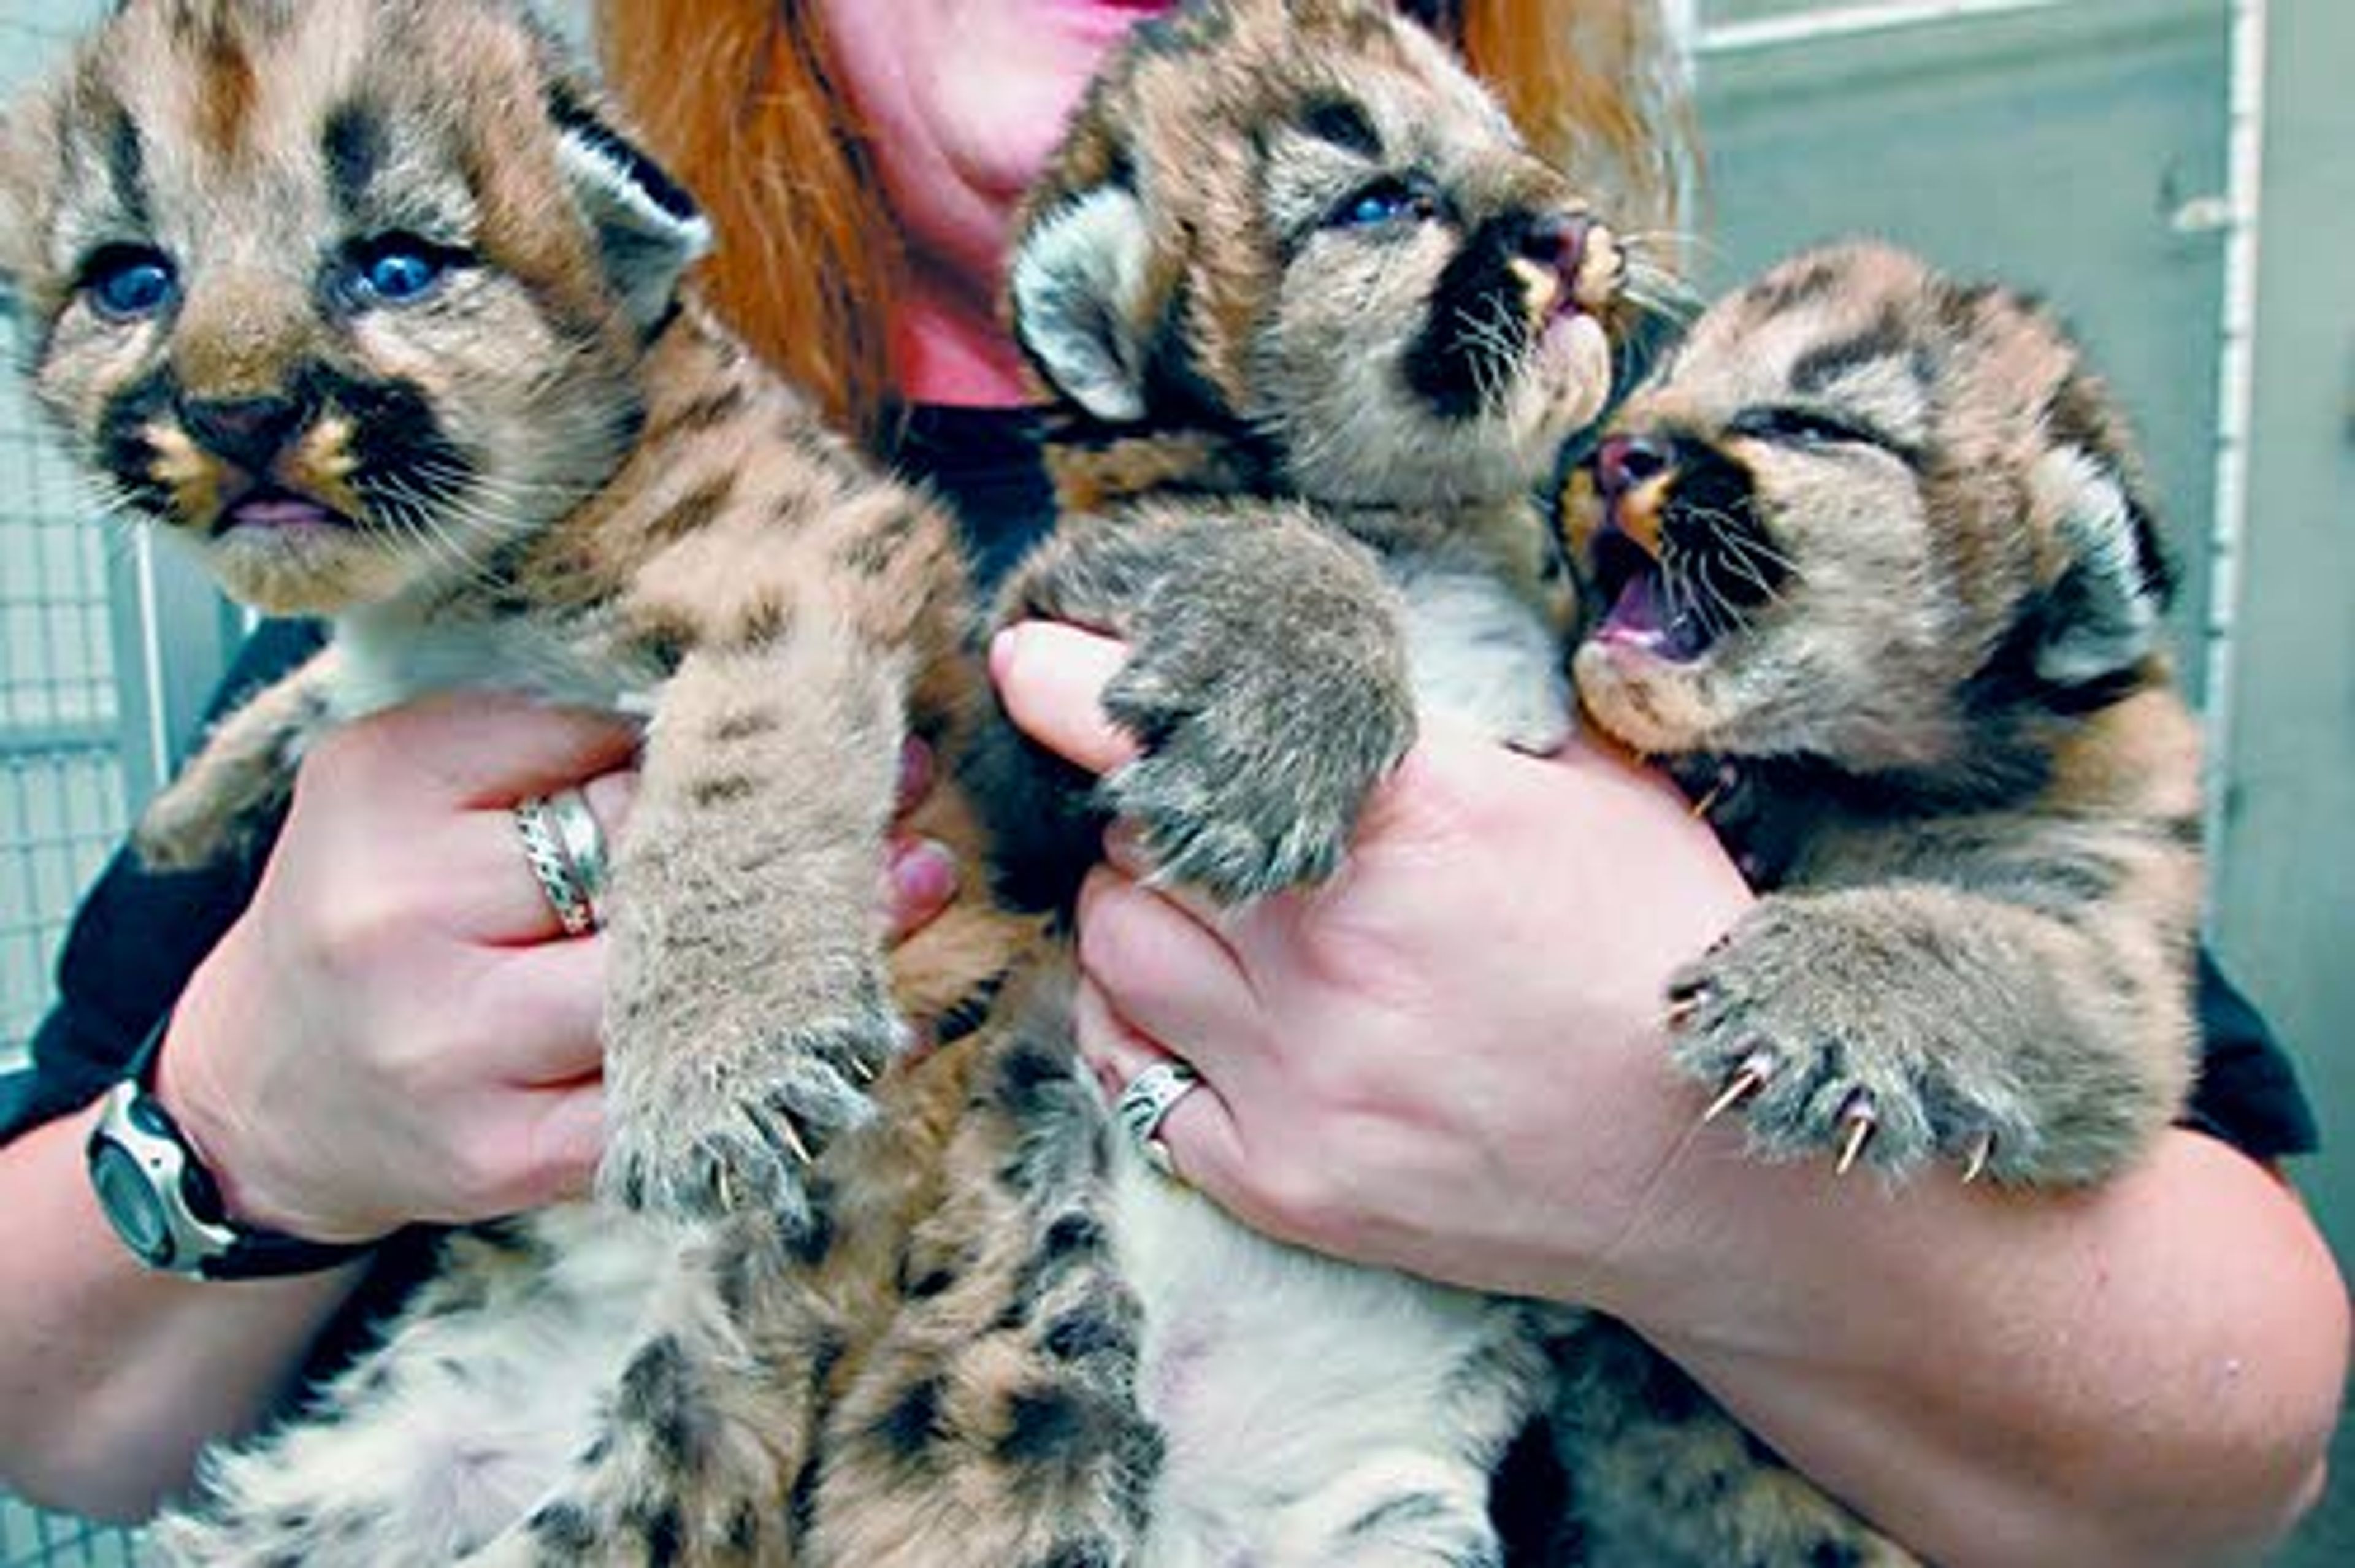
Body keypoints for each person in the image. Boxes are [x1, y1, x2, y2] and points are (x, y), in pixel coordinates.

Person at [0, 2, 2340, 1563]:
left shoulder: (1627, 473)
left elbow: (2236, 1427)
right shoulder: (479, 450)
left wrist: (1663, 1173)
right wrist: (241, 1131)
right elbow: (52, 1409)